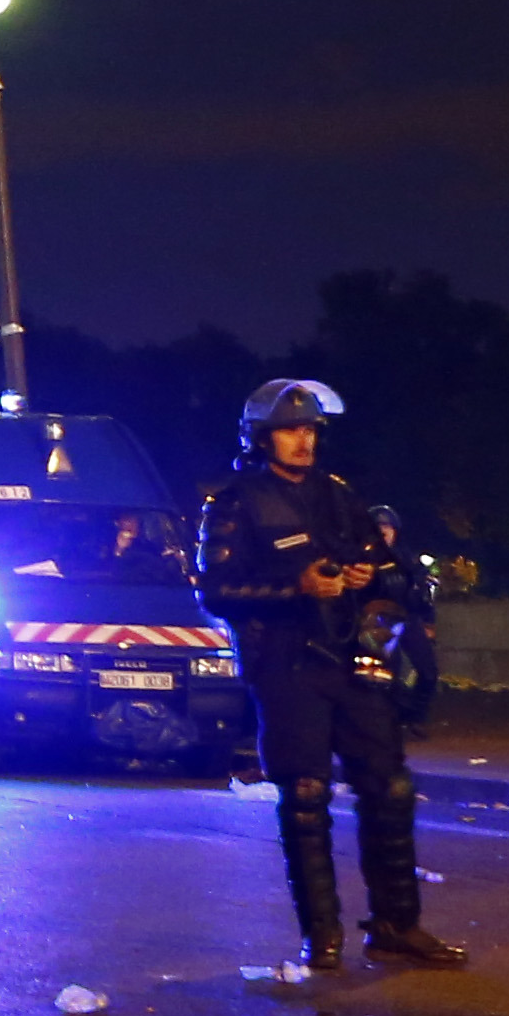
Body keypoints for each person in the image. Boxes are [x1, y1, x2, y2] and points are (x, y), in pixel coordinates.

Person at [195, 380, 469, 975]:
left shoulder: (339, 495)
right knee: (306, 795)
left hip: (352, 657)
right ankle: (321, 936)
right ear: (261, 437)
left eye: (311, 429)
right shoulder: (234, 502)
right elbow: (216, 593)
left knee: (390, 786)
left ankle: (397, 925)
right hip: (285, 665)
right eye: (292, 429)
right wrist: (295, 587)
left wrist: (370, 575)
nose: (304, 440)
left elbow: (400, 577)